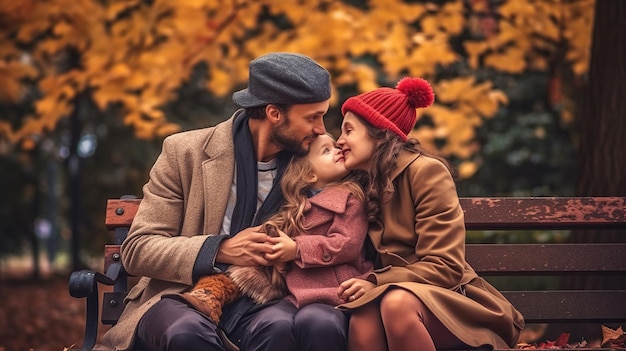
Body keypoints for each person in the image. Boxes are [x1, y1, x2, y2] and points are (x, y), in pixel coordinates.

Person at [98, 52, 339, 351]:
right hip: (180, 296)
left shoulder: (316, 165)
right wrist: (221, 249)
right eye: (312, 117)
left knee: (280, 329)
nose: (321, 129)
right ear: (274, 113)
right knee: (185, 332)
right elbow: (138, 249)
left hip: (265, 298)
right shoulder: (184, 153)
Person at [334, 77, 525, 351]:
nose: (340, 140)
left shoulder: (426, 171)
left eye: (349, 131)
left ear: (379, 132)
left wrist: (376, 282)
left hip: (454, 303)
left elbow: (445, 266)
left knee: (396, 304)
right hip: (396, 296)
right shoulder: (363, 182)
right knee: (362, 317)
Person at [174, 133, 373, 347]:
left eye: (334, 146)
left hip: (335, 291)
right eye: (326, 150)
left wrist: (297, 249)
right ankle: (215, 293)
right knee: (278, 322)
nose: (337, 150)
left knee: (317, 322)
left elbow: (347, 245)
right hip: (294, 294)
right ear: (309, 176)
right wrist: (279, 258)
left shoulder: (350, 199)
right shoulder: (296, 208)